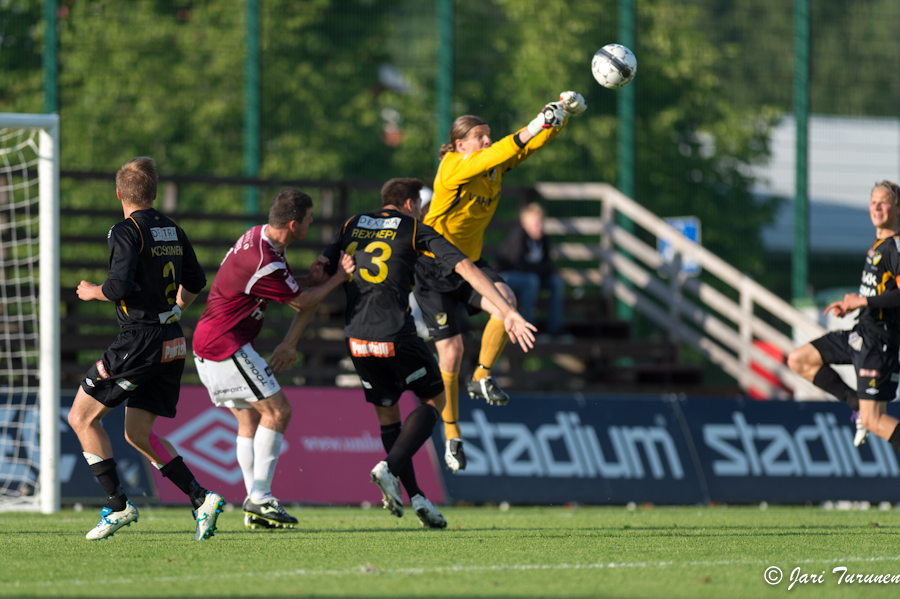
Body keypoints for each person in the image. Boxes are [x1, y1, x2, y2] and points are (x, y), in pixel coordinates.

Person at [321, 177, 535, 527]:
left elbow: (321, 268)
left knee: (390, 419)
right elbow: (465, 267)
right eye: (419, 205)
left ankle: (417, 497)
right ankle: (388, 468)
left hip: (357, 340)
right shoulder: (415, 228)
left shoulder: (352, 224)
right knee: (435, 401)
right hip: (395, 335)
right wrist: (506, 310)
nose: (422, 210)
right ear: (410, 204)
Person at [414, 91, 587, 472]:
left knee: (506, 301)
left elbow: (525, 147)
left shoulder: (489, 167)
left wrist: (558, 117)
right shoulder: (454, 166)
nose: (488, 141)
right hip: (432, 268)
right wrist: (533, 124)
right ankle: (453, 433)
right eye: (481, 136)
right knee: (452, 353)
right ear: (461, 144)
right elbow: (509, 146)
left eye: (489, 135)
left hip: (470, 264)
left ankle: (482, 376)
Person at [68, 157, 225, 541]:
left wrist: (91, 292)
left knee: (81, 418)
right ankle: (200, 498)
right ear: (154, 194)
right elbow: (197, 279)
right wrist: (176, 309)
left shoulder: (125, 230)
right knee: (138, 433)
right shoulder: (172, 228)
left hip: (139, 341)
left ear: (119, 194)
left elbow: (118, 287)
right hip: (171, 341)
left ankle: (118, 505)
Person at [191, 189, 355, 530]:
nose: (312, 223)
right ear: (293, 224)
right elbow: (300, 302)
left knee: (250, 422)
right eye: (309, 219)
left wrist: (313, 280)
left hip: (213, 344)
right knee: (279, 411)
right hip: (225, 346)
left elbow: (289, 287)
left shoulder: (258, 237)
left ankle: (255, 505)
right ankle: (261, 498)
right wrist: (339, 278)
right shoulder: (265, 260)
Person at [787, 180, 900, 453]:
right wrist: (855, 304)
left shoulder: (895, 246)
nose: (876, 207)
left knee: (875, 421)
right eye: (873, 202)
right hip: (862, 333)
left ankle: (863, 413)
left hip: (879, 342)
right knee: (799, 360)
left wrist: (863, 300)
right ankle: (856, 406)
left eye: (883, 202)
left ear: (897, 207)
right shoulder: (878, 244)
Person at [496, 201, 569, 341]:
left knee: (556, 282)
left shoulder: (543, 239)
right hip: (507, 278)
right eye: (536, 223)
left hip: (532, 278)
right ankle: (530, 328)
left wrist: (548, 271)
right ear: (525, 224)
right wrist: (541, 270)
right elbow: (518, 265)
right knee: (531, 280)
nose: (539, 227)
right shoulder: (519, 236)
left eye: (541, 222)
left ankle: (555, 328)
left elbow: (548, 265)